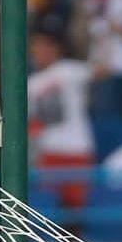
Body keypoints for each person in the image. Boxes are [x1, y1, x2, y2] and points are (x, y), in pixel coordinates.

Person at [27, 28, 95, 208]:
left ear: (56, 48)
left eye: (45, 45)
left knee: (77, 211)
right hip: (49, 150)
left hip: (77, 149)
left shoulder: (69, 70)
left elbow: (101, 70)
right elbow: (32, 123)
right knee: (49, 211)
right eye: (36, 46)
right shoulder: (29, 84)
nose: (40, 50)